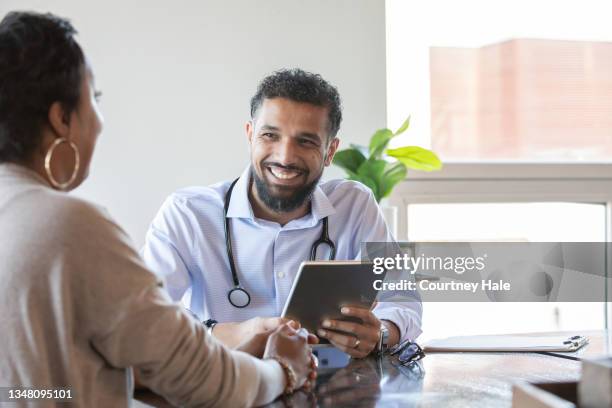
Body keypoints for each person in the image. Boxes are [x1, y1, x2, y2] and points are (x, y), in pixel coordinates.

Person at [0, 11, 316, 407]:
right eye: (94, 99)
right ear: (62, 118)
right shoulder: (73, 226)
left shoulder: (356, 203)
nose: (98, 121)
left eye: (307, 141)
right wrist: (283, 368)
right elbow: (202, 379)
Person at [142, 69, 422, 358]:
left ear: (330, 151)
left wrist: (382, 332)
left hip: (333, 389)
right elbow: (146, 314)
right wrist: (225, 333)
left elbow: (402, 299)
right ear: (250, 135)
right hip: (227, 388)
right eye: (270, 135)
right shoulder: (188, 213)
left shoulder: (354, 206)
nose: (285, 157)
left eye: (306, 141)